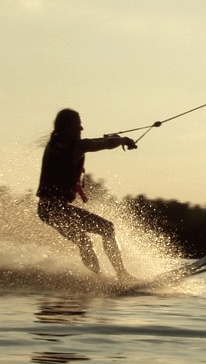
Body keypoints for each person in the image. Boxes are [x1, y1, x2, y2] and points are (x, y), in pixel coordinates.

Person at [36, 108, 137, 281]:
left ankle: (96, 279)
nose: (81, 129)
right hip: (57, 208)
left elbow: (94, 142)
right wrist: (124, 140)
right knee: (108, 228)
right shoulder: (77, 146)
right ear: (68, 127)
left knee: (84, 242)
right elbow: (101, 144)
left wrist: (113, 139)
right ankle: (122, 275)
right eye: (78, 125)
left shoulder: (53, 144)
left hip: (45, 210)